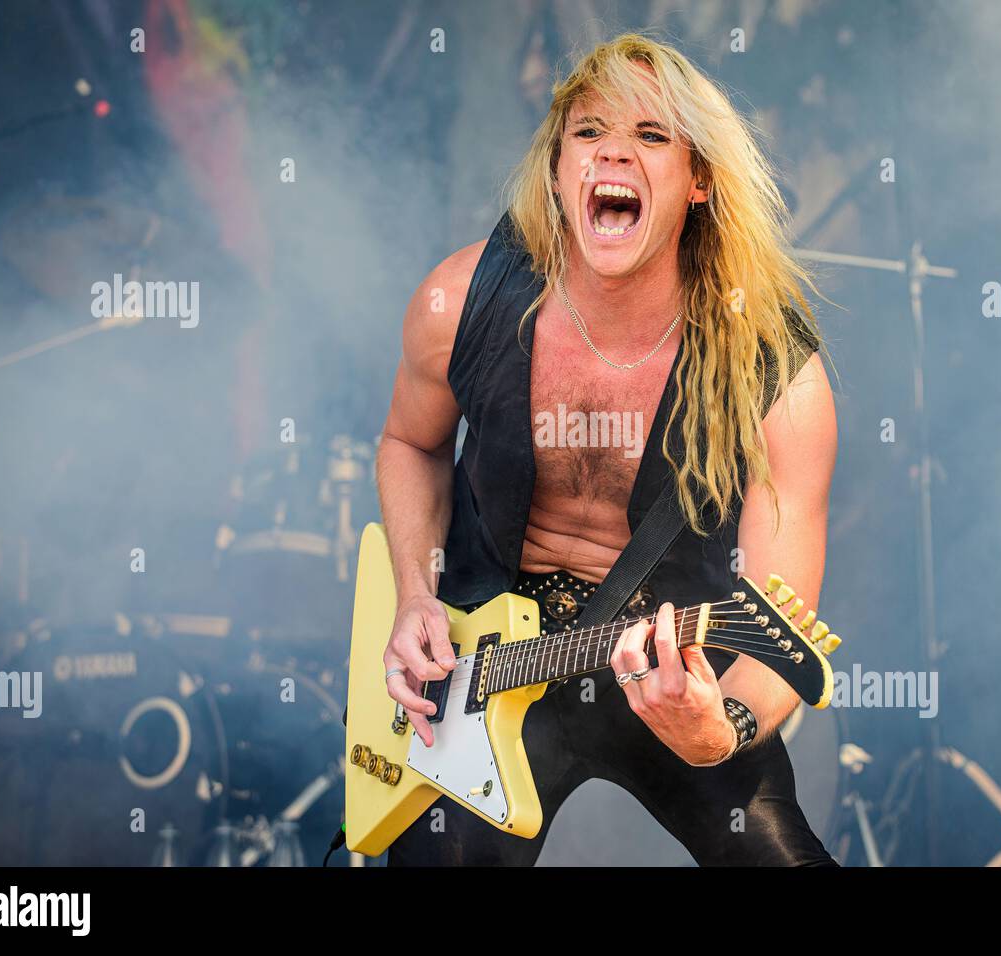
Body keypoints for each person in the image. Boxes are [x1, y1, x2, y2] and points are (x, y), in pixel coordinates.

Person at [375, 33, 838, 866]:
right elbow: (410, 442)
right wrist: (414, 595)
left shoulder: (777, 373)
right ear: (559, 170)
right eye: (589, 132)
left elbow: (780, 614)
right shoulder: (458, 302)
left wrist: (720, 725)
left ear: (699, 182)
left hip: (668, 668)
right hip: (484, 664)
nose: (615, 150)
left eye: (653, 136)